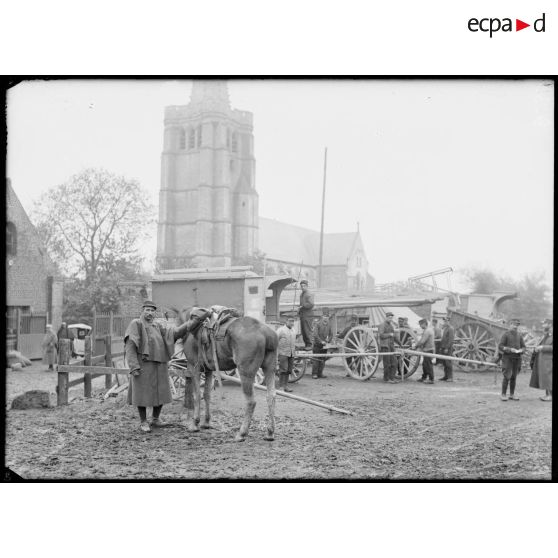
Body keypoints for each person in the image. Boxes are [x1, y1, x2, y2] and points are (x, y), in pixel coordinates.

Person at [125, 300, 192, 432]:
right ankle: (143, 421)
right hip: (143, 364)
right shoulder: (136, 324)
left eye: (152, 310)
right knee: (142, 394)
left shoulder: (157, 326)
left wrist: (189, 324)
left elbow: (173, 335)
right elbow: (130, 345)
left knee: (161, 392)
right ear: (142, 310)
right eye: (147, 310)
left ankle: (155, 419)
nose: (149, 313)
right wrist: (134, 366)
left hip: (160, 363)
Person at [498, 318, 526, 401]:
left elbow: (524, 347)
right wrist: (510, 349)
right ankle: (503, 394)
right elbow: (500, 346)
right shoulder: (506, 334)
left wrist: (521, 350)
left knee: (514, 377)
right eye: (514, 325)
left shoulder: (519, 335)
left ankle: (512, 394)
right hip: (507, 358)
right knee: (507, 376)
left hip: (517, 359)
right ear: (510, 325)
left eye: (517, 325)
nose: (515, 327)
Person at [529, 319, 553, 402]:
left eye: (544, 324)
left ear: (550, 324)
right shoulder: (547, 334)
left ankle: (550, 396)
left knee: (549, 378)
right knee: (546, 378)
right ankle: (548, 395)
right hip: (544, 360)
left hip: (549, 360)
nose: (542, 325)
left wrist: (543, 348)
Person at [378, 311, 400, 383]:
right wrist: (389, 335)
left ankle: (392, 378)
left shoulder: (391, 326)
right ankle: (386, 378)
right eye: (389, 318)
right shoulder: (382, 325)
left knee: (394, 362)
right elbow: (381, 335)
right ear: (386, 317)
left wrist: (400, 344)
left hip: (391, 346)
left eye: (391, 318)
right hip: (385, 346)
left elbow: (394, 336)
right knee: (387, 364)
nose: (390, 319)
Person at [276, 317, 297, 392]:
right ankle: (281, 386)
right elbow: (275, 340)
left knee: (289, 370)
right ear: (286, 321)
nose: (292, 323)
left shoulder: (294, 330)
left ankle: (286, 386)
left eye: (293, 321)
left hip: (291, 353)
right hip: (283, 353)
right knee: (283, 369)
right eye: (290, 321)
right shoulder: (281, 330)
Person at [414, 318, 435, 383]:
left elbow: (422, 341)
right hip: (427, 349)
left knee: (428, 364)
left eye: (420, 325)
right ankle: (424, 377)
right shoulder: (428, 330)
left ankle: (431, 379)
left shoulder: (427, 331)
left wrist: (416, 346)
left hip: (428, 350)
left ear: (424, 324)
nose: (420, 326)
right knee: (425, 364)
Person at [312, 314, 332, 379]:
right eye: (324, 317)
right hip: (317, 345)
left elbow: (331, 334)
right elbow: (315, 334)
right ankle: (314, 374)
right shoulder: (317, 324)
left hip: (324, 346)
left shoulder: (329, 325)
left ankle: (320, 373)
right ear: (322, 318)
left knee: (323, 360)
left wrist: (328, 340)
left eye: (327, 317)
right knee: (316, 359)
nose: (325, 318)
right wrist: (321, 341)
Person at [298, 280, 314, 349]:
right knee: (304, 331)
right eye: (301, 286)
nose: (303, 287)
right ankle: (306, 345)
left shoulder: (308, 294)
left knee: (307, 330)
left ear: (307, 286)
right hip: (303, 315)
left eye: (304, 286)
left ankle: (310, 345)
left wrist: (302, 306)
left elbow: (311, 304)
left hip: (308, 315)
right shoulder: (302, 294)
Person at [438, 316, 455, 381]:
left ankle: (450, 377)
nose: (445, 322)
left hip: (448, 348)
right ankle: (446, 376)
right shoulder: (445, 328)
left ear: (449, 321)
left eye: (446, 321)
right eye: (444, 321)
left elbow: (451, 340)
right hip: (443, 347)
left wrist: (447, 348)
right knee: (444, 363)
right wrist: (441, 347)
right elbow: (443, 339)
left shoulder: (451, 329)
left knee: (448, 362)